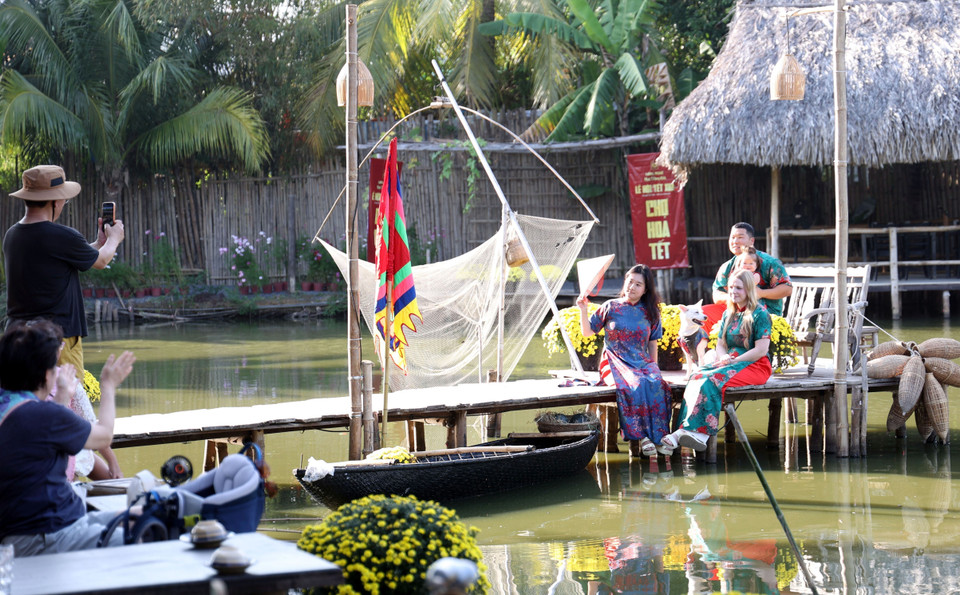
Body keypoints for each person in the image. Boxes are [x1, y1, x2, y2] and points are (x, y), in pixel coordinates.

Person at [0, 319, 136, 556]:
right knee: (146, 533)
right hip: (47, 535)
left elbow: (45, 440)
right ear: (46, 374)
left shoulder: (10, 404)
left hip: (38, 527)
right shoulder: (42, 414)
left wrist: (62, 395)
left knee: (138, 516)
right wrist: (109, 385)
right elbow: (103, 436)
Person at [4, 165, 125, 378]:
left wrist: (98, 242)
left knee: (27, 401)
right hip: (57, 340)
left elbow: (65, 256)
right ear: (55, 201)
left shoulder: (12, 235)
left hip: (18, 339)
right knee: (69, 404)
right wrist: (114, 239)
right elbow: (101, 261)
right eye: (63, 200)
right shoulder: (62, 235)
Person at [660, 270, 772, 454]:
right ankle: (684, 430)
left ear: (749, 289)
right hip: (731, 362)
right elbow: (720, 345)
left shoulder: (760, 314)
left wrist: (733, 360)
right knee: (697, 374)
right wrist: (723, 357)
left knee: (712, 379)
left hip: (755, 365)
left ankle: (700, 434)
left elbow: (761, 350)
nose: (733, 291)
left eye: (739, 287)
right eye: (731, 287)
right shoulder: (729, 313)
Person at [577, 264, 672, 458]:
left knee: (656, 383)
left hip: (642, 361)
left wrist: (654, 368)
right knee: (634, 385)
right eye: (630, 282)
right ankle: (642, 437)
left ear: (646, 289)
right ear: (625, 283)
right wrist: (583, 310)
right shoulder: (610, 306)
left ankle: (660, 436)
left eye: (638, 284)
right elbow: (587, 333)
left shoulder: (651, 312)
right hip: (614, 361)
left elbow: (652, 344)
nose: (632, 287)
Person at [711, 222, 791, 316]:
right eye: (732, 237)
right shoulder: (727, 266)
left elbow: (787, 289)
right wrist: (734, 297)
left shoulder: (769, 263)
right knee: (703, 314)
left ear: (751, 241)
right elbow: (717, 293)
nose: (735, 241)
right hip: (732, 314)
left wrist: (761, 293)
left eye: (740, 237)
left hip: (765, 316)